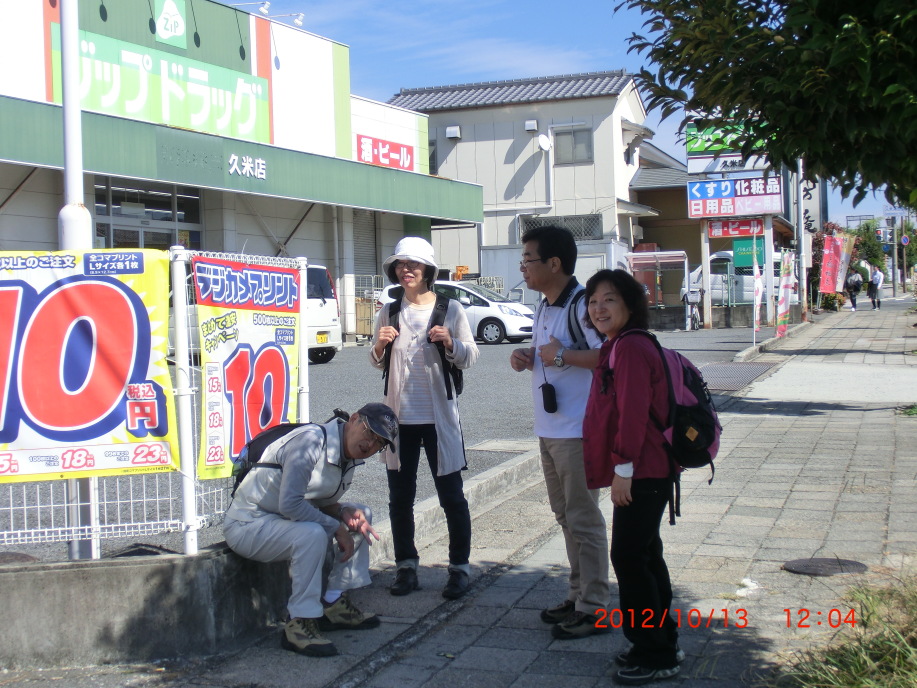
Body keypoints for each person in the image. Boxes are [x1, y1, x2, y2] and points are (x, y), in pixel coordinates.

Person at [223, 403, 398, 658]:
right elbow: (291, 503)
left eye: (379, 443)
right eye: (369, 432)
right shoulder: (311, 442)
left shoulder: (347, 455)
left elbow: (314, 498)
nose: (370, 444)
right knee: (312, 534)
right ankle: (299, 622)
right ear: (354, 419)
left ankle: (333, 603)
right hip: (249, 523)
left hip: (281, 520)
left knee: (361, 515)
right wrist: (336, 527)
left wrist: (341, 512)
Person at [508, 225, 610, 640]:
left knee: (584, 520)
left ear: (554, 263)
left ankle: (595, 607)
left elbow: (608, 356)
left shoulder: (583, 304)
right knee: (566, 517)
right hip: (550, 429)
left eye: (528, 259)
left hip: (578, 430)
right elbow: (550, 355)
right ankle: (577, 595)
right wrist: (528, 356)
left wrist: (562, 355)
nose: (522, 268)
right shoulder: (545, 306)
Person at [582, 269, 681, 685]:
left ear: (629, 304)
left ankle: (656, 653)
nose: (599, 308)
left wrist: (623, 469)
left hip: (644, 468)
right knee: (645, 554)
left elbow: (634, 411)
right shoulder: (621, 344)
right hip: (649, 467)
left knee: (628, 556)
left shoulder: (631, 347)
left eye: (609, 299)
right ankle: (660, 641)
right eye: (593, 301)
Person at [370, 236, 479, 600]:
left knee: (452, 496)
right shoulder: (388, 311)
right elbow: (376, 361)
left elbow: (470, 356)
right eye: (401, 264)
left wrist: (451, 343)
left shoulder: (451, 309)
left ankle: (459, 568)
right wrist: (379, 345)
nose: (407, 270)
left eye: (414, 264)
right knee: (400, 498)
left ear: (428, 270)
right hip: (399, 420)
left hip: (439, 419)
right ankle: (406, 566)